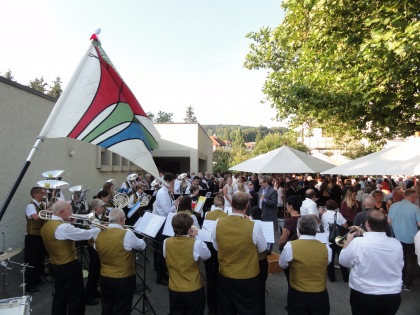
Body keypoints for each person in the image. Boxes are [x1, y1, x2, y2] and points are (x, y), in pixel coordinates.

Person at [212, 191, 267, 315]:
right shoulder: (253, 226)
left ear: (231, 204)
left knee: (226, 309)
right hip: (248, 278)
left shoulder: (218, 223)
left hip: (225, 275)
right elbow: (262, 249)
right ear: (247, 206)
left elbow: (216, 246)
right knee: (249, 310)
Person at [41, 201, 100, 315]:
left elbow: (64, 235)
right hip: (68, 265)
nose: (72, 213)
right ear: (62, 211)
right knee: (76, 297)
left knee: (60, 295)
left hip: (54, 264)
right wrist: (98, 229)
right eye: (70, 211)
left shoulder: (46, 225)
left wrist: (69, 223)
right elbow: (85, 234)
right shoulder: (63, 227)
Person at [340, 210, 404, 315]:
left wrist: (348, 241)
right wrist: (364, 232)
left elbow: (343, 261)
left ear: (367, 224)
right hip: (392, 295)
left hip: (364, 294)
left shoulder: (358, 243)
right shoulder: (397, 244)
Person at [95, 208, 146, 315]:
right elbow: (142, 245)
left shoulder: (99, 234)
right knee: (122, 308)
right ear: (122, 220)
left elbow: (97, 247)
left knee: (107, 307)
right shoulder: (127, 234)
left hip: (105, 277)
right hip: (123, 279)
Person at [279, 215, 332, 315]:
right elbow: (327, 262)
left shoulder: (290, 246)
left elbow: (282, 264)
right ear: (316, 230)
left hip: (297, 293)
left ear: (298, 230)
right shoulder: (326, 248)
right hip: (320, 294)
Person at [163, 212, 211, 315]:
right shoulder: (196, 243)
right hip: (193, 288)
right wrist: (196, 236)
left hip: (174, 288)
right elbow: (207, 256)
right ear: (189, 228)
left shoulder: (166, 242)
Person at [152, 173, 182, 285]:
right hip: (163, 223)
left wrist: (175, 202)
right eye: (173, 182)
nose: (174, 184)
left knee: (162, 248)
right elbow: (166, 211)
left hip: (165, 222)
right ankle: (160, 276)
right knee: (161, 250)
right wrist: (175, 204)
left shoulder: (166, 192)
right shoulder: (162, 193)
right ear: (168, 181)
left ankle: (161, 270)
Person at [388, 189, 420, 291]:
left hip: (397, 238)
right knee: (410, 260)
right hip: (411, 238)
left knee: (400, 259)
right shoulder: (415, 208)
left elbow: (389, 222)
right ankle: (408, 284)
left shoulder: (393, 206)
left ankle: (399, 279)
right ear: (413, 197)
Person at [203, 194, 227, 314]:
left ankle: (211, 307)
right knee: (220, 275)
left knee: (210, 277)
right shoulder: (226, 215)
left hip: (209, 246)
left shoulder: (207, 214)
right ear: (223, 204)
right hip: (220, 247)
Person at [25, 187, 48, 295]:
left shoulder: (42, 205)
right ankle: (28, 286)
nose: (44, 195)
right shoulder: (30, 206)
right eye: (42, 193)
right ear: (35, 194)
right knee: (31, 261)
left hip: (40, 235)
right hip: (32, 236)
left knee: (40, 258)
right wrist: (49, 210)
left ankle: (37, 278)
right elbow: (35, 217)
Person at [84, 199, 107, 305]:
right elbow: (100, 230)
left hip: (95, 245)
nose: (103, 208)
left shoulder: (96, 215)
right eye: (101, 206)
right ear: (96, 208)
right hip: (93, 246)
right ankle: (88, 296)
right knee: (94, 271)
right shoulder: (92, 217)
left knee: (96, 270)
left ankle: (93, 291)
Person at [320, 200, 349, 282]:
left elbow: (322, 224)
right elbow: (345, 225)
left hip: (327, 238)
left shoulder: (324, 215)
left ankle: (332, 278)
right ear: (335, 206)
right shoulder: (338, 214)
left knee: (330, 258)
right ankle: (345, 277)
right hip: (338, 238)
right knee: (341, 257)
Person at [250, 206, 269, 315]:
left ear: (251, 215)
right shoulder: (263, 225)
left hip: (250, 259)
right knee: (261, 285)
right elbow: (263, 247)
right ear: (261, 215)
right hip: (261, 259)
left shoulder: (249, 224)